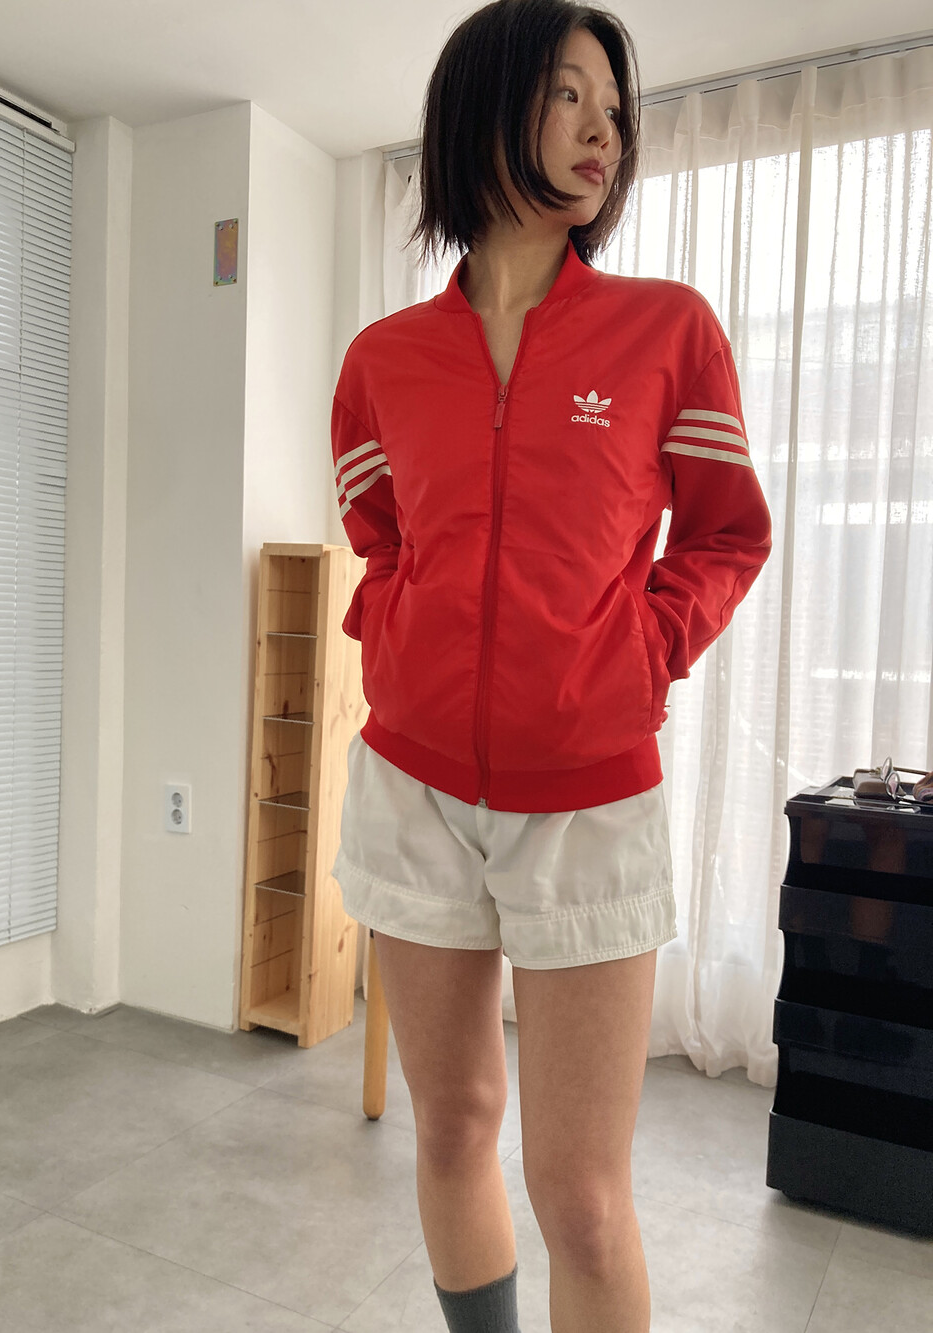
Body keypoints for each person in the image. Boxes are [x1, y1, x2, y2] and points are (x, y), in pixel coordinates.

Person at [329, 1, 772, 1329]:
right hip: (413, 788)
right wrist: (399, 641)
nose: (605, 133)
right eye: (571, 95)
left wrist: (642, 650)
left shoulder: (665, 332)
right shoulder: (382, 362)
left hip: (586, 798)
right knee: (454, 1125)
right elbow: (380, 534)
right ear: (489, 105)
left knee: (580, 1192)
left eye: (616, 111)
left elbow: (728, 532)